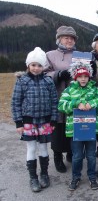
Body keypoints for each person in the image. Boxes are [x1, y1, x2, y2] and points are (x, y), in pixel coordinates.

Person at [11, 47, 58, 192]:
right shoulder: (22, 81)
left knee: (43, 148)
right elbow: (15, 102)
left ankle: (44, 174)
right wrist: (19, 122)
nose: (36, 68)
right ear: (28, 65)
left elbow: (54, 101)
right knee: (31, 148)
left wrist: (53, 120)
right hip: (28, 122)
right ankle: (33, 177)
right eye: (33, 65)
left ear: (44, 66)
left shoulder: (48, 81)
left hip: (44, 121)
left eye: (39, 65)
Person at [58, 61, 98, 191]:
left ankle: (92, 176)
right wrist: (75, 103)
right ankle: (76, 177)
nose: (83, 79)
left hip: (90, 130)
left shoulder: (94, 89)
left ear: (89, 76)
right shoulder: (69, 90)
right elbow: (61, 105)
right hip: (75, 130)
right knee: (77, 155)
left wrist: (93, 103)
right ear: (75, 77)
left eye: (85, 76)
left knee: (91, 155)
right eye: (80, 76)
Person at [44, 26, 78, 173]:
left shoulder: (79, 55)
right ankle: (57, 156)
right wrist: (57, 75)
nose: (69, 40)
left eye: (72, 38)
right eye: (66, 37)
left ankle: (71, 152)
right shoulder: (50, 55)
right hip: (56, 96)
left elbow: (89, 74)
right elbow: (43, 73)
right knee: (58, 128)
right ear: (59, 39)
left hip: (75, 96)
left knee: (73, 125)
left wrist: (92, 70)